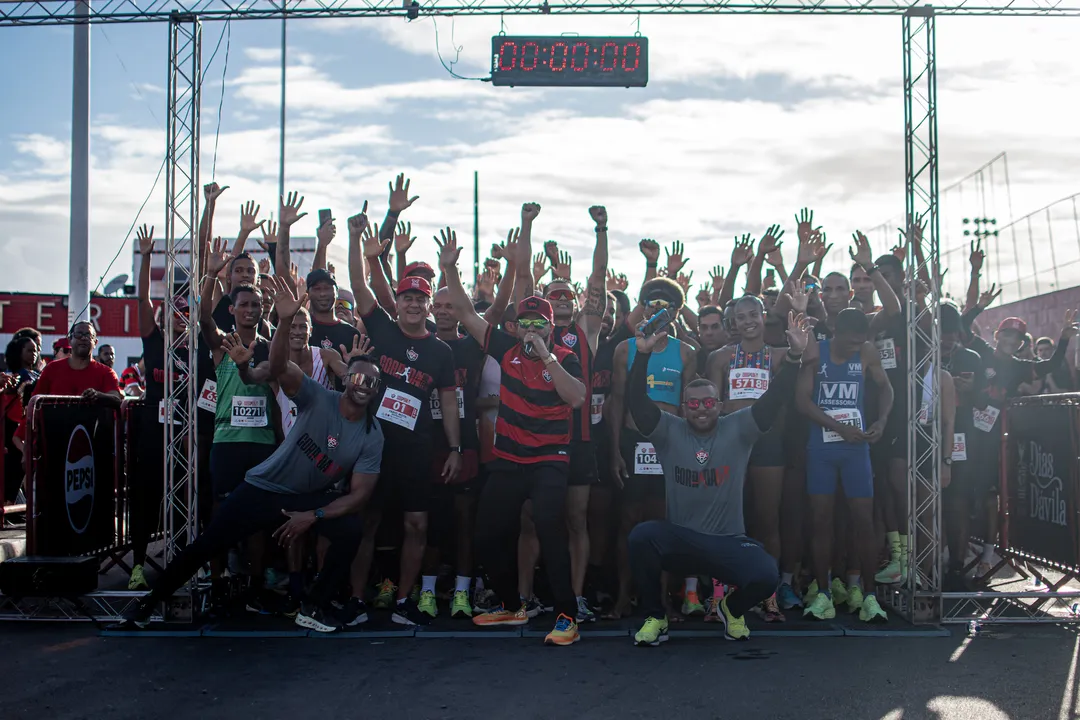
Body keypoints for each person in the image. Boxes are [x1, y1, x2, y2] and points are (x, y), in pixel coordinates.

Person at [114, 277, 385, 634]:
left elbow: (359, 495)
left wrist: (313, 514)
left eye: (372, 383)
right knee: (209, 541)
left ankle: (314, 604)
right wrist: (285, 322)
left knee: (351, 528)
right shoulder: (319, 397)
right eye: (358, 379)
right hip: (266, 487)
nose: (363, 387)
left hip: (306, 497)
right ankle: (147, 605)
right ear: (345, 379)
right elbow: (279, 368)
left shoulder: (372, 435)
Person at [439, 226, 587, 646]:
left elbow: (575, 398)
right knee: (486, 532)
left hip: (550, 459)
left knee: (548, 527)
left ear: (551, 326)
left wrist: (546, 355)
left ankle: (567, 617)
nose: (529, 328)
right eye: (524, 321)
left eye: (538, 322)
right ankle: (511, 604)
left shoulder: (566, 356)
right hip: (510, 459)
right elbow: (468, 314)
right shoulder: (504, 346)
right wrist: (450, 271)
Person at [627, 310, 810, 646]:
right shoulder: (669, 430)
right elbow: (636, 401)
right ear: (683, 409)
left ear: (721, 406)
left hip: (726, 541)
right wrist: (641, 354)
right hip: (681, 540)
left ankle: (731, 608)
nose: (701, 408)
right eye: (693, 403)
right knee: (641, 537)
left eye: (709, 402)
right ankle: (656, 616)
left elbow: (775, 398)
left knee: (766, 574)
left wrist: (795, 355)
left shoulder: (738, 427)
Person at [347, 209, 460, 628]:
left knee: (417, 525)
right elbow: (360, 285)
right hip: (373, 445)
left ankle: (402, 602)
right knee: (367, 522)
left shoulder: (441, 352)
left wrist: (454, 447)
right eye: (407, 297)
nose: (413, 304)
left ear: (429, 304)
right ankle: (356, 600)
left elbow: (448, 403)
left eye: (420, 299)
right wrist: (357, 238)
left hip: (416, 450)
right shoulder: (383, 329)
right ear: (398, 301)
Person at [706, 289, 807, 622]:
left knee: (767, 519)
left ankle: (770, 596)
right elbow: (712, 406)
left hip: (767, 444)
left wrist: (802, 317)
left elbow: (806, 353)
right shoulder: (720, 358)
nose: (747, 322)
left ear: (763, 317)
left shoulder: (779, 356)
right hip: (731, 443)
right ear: (732, 323)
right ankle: (718, 594)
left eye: (753, 315)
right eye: (740, 318)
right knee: (725, 520)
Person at [530, 204, 610, 623]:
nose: (560, 300)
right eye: (552, 295)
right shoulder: (532, 329)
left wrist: (601, 230)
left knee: (577, 519)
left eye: (567, 294)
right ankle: (527, 595)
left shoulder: (585, 330)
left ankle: (576, 596)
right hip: (540, 439)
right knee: (537, 519)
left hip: (578, 441)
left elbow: (599, 278)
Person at [607, 277, 697, 619]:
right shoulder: (624, 349)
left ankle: (661, 599)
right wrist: (614, 450)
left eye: (665, 307)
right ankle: (622, 596)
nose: (657, 312)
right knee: (628, 522)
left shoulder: (686, 352)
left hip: (668, 445)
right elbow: (616, 403)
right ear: (642, 308)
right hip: (632, 443)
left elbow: (690, 409)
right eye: (652, 305)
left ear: (675, 313)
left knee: (663, 523)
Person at [796, 308, 892, 623]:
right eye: (849, 343)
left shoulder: (866, 350)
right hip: (822, 447)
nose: (855, 348)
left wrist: (881, 420)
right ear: (835, 331)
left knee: (863, 519)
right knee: (821, 519)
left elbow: (886, 387)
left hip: (855, 448)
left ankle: (869, 595)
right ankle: (823, 592)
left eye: (859, 344)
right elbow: (803, 401)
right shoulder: (815, 351)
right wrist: (838, 428)